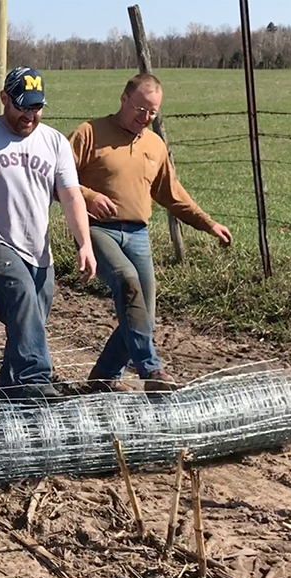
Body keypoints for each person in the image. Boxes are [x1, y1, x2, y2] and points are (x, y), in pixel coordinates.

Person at [68, 73, 232, 392]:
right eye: (140, 109)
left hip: (138, 234)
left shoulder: (155, 144)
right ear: (124, 99)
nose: (144, 117)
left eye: (152, 113)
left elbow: (172, 194)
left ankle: (103, 378)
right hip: (96, 230)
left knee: (144, 315)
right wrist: (88, 196)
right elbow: (57, 178)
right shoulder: (89, 133)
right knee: (127, 282)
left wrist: (208, 223)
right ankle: (151, 370)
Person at [0, 66, 97, 399]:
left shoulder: (55, 142)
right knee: (22, 297)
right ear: (4, 99)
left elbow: (71, 196)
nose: (29, 115)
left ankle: (10, 388)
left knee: (30, 320)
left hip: (37, 248)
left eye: (36, 107)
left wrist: (84, 244)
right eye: (22, 106)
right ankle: (35, 380)